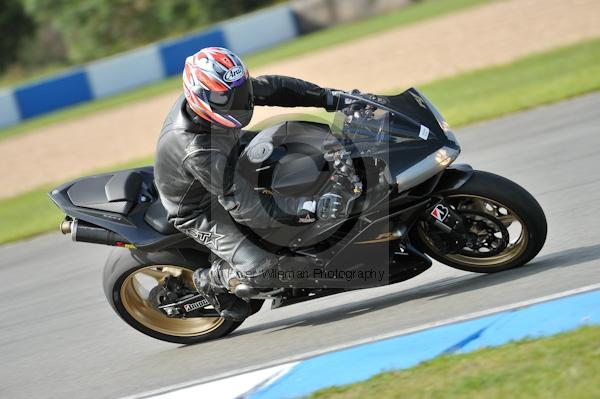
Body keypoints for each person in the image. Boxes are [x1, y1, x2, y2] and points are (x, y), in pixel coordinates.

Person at [154, 47, 357, 321]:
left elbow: (275, 88)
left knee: (305, 146)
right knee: (262, 268)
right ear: (199, 94)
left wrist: (330, 97)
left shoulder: (224, 91)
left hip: (230, 155)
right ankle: (211, 280)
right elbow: (245, 207)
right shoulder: (198, 150)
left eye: (241, 89)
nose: (237, 99)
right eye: (226, 96)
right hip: (201, 208)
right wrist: (312, 206)